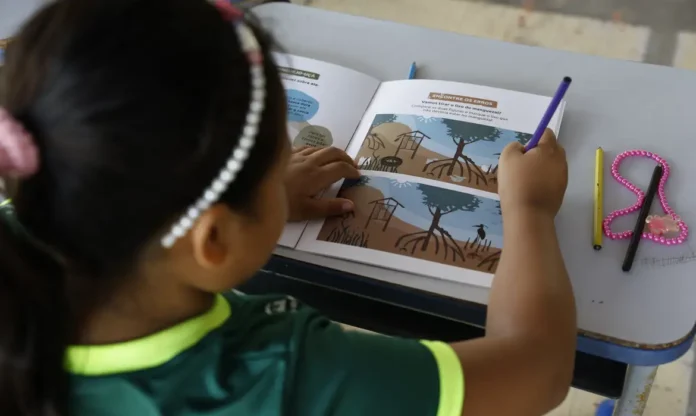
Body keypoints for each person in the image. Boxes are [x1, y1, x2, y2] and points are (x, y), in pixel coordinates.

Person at [0, 0, 576, 415]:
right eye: (276, 169)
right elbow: (539, 371)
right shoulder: (283, 374)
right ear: (213, 240)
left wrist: (256, 199)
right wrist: (528, 211)